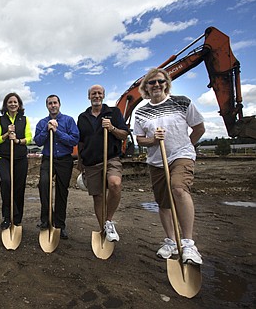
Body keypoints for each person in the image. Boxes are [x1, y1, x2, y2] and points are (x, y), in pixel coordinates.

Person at [134, 68, 205, 265]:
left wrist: (188, 146)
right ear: (145, 87)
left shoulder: (182, 102)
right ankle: (171, 241)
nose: (156, 85)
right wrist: (153, 140)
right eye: (152, 83)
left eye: (160, 81)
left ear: (166, 83)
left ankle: (189, 243)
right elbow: (139, 139)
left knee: (179, 189)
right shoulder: (141, 112)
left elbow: (199, 127)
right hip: (156, 160)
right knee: (163, 202)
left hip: (181, 155)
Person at [77, 85, 129, 242]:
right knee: (98, 197)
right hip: (91, 162)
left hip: (111, 158)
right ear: (89, 96)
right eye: (93, 93)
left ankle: (108, 221)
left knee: (114, 184)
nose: (96, 96)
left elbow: (124, 134)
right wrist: (80, 164)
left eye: (99, 93)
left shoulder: (113, 113)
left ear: (104, 95)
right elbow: (81, 142)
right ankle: (103, 230)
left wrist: (112, 128)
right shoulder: (82, 117)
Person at [34, 95, 79, 239]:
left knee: (61, 191)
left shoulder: (68, 120)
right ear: (47, 106)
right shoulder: (42, 123)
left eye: (55, 103)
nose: (52, 105)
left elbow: (74, 140)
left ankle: (60, 224)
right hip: (48, 158)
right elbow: (38, 141)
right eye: (50, 103)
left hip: (65, 159)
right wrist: (47, 130)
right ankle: (46, 220)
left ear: (59, 104)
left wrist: (57, 131)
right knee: (44, 185)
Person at [0, 93, 32, 229]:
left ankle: (17, 218)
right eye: (10, 102)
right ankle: (7, 217)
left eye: (15, 102)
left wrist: (16, 140)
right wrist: (6, 134)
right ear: (6, 104)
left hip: (21, 158)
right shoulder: (0, 119)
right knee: (6, 183)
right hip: (4, 157)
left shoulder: (24, 119)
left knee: (19, 187)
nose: (13, 104)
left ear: (19, 104)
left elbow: (29, 138)